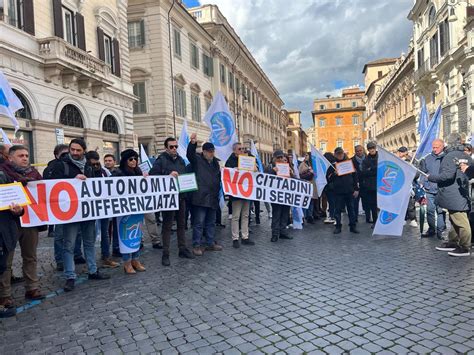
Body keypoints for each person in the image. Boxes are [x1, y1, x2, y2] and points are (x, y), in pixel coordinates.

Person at [48, 139, 110, 291]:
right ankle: (70, 276)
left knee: (89, 242)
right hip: (70, 213)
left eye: (78, 150)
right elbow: (52, 184)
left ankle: (93, 270)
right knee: (68, 245)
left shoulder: (89, 166)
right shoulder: (59, 165)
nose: (75, 153)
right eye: (72, 149)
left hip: (88, 211)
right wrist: (72, 181)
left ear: (84, 151)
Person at [0, 145, 46, 308]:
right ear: (10, 158)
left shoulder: (35, 175)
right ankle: (4, 295)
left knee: (30, 256)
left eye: (27, 155)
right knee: (6, 260)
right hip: (8, 224)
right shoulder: (3, 174)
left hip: (30, 221)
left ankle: (32, 288)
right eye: (21, 155)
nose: (25, 158)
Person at [150, 137, 194, 266]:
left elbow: (185, 175)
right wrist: (167, 175)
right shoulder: (161, 160)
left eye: (175, 146)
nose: (174, 148)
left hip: (180, 196)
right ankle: (166, 253)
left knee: (181, 224)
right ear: (166, 148)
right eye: (171, 147)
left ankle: (182, 249)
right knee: (167, 226)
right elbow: (153, 176)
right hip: (168, 199)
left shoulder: (180, 160)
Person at [428, 133, 472, 257]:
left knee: (461, 220)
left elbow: (446, 175)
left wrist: (432, 177)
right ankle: (453, 242)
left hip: (452, 193)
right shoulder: (466, 155)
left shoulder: (450, 156)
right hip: (461, 192)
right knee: (454, 218)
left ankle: (464, 247)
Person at [44, 145, 84, 270]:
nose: (68, 155)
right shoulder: (51, 168)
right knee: (60, 235)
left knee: (77, 233)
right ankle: (60, 260)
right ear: (56, 155)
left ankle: (77, 254)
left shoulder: (76, 166)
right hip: (60, 208)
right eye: (64, 154)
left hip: (75, 206)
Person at [186, 134, 223, 256]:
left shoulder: (215, 163)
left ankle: (210, 242)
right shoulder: (197, 160)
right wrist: (192, 143)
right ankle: (196, 245)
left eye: (213, 151)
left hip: (212, 197)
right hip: (200, 198)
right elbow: (189, 155)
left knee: (211, 222)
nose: (211, 153)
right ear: (204, 151)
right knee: (198, 223)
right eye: (209, 151)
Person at [112, 149, 146, 273]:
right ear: (125, 160)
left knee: (136, 234)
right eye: (130, 159)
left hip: (137, 208)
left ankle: (135, 260)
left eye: (135, 159)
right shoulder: (118, 172)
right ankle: (127, 263)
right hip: (124, 210)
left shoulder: (138, 171)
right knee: (125, 235)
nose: (133, 161)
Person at [86, 151, 119, 269]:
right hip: (89, 208)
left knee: (105, 233)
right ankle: (89, 262)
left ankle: (106, 257)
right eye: (92, 164)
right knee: (89, 236)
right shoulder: (83, 170)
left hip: (103, 207)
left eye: (97, 164)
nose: (95, 166)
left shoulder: (104, 172)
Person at [0, 169, 23, 318]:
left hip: (4, 231)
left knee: (1, 266)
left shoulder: (3, 175)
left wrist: (18, 210)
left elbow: (15, 202)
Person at [225, 142, 255, 248]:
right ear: (234, 151)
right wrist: (235, 170)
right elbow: (227, 175)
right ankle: (235, 238)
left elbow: (255, 173)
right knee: (236, 216)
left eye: (243, 149)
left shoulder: (249, 159)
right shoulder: (230, 161)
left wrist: (254, 168)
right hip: (236, 193)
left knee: (246, 215)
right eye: (239, 149)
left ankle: (245, 236)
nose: (242, 151)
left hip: (246, 192)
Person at [327, 147, 359, 234]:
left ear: (343, 154)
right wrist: (334, 174)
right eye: (338, 154)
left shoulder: (349, 163)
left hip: (349, 191)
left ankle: (352, 226)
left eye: (341, 153)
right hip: (338, 192)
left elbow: (355, 177)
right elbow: (328, 179)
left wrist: (356, 189)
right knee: (337, 210)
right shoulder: (332, 166)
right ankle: (338, 226)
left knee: (351, 209)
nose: (340, 155)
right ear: (335, 155)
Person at [419, 139, 445, 239]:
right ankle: (431, 229)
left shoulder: (446, 158)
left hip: (441, 189)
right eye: (433, 147)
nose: (434, 149)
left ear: (442, 146)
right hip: (429, 189)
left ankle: (440, 230)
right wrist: (422, 183)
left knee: (440, 211)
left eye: (437, 147)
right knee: (430, 210)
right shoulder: (427, 158)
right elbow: (423, 172)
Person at [265, 150, 293, 242]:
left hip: (286, 194)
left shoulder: (287, 167)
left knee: (285, 213)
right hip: (276, 195)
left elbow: (293, 180)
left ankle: (283, 232)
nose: (280, 159)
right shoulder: (269, 167)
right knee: (276, 214)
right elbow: (265, 180)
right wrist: (273, 172)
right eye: (278, 157)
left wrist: (291, 173)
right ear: (274, 158)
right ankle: (275, 234)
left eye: (281, 157)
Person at [360, 142, 378, 227]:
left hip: (381, 185)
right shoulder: (366, 160)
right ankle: (375, 221)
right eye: (370, 148)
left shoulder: (381, 157)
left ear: (375, 148)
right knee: (373, 205)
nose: (372, 150)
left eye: (373, 148)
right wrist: (374, 169)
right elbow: (364, 172)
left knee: (384, 204)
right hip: (370, 186)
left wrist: (371, 169)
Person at [299, 152, 316, 224]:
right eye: (305, 155)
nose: (306, 156)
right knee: (305, 201)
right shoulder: (302, 164)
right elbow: (300, 172)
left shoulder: (310, 163)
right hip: (305, 184)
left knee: (311, 201)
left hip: (311, 184)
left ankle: (310, 216)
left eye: (307, 155)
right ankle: (304, 216)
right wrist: (307, 170)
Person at [351, 145, 365, 219]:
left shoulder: (367, 159)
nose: (359, 152)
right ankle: (354, 218)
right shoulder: (351, 160)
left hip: (366, 183)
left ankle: (368, 217)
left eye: (360, 150)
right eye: (357, 151)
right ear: (355, 152)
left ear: (363, 150)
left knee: (366, 201)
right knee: (355, 201)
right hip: (355, 184)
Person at [322, 152, 336, 224]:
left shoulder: (329, 166)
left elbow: (328, 176)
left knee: (331, 202)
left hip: (330, 186)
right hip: (334, 186)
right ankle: (333, 215)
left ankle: (332, 216)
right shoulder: (335, 165)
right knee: (333, 202)